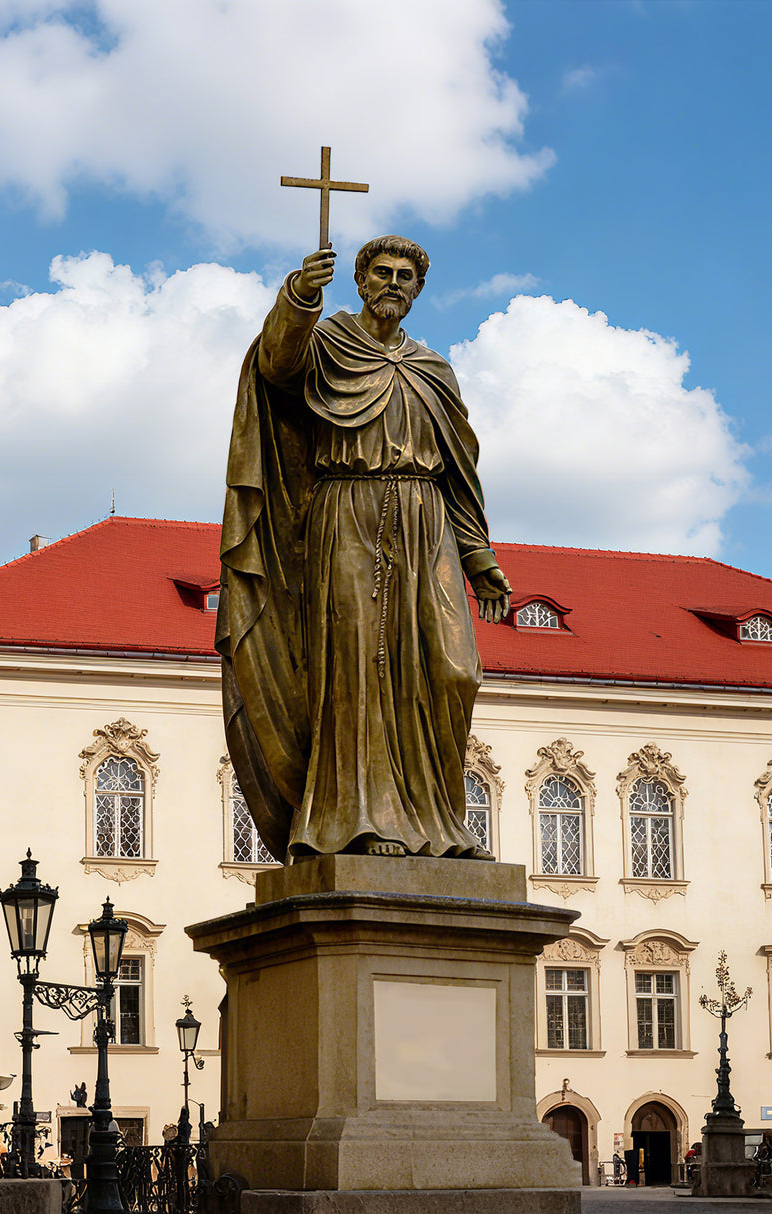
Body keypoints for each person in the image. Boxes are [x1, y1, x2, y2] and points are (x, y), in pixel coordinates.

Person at [217, 236, 512, 861]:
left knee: (452, 670)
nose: (394, 283)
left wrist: (477, 556)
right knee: (358, 666)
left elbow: (458, 471)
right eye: (382, 271)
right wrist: (299, 298)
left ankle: (440, 823)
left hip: (426, 522)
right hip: (345, 510)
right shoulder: (328, 343)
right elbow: (276, 366)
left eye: (407, 275)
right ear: (360, 279)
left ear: (419, 288)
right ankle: (357, 819)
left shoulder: (434, 370)